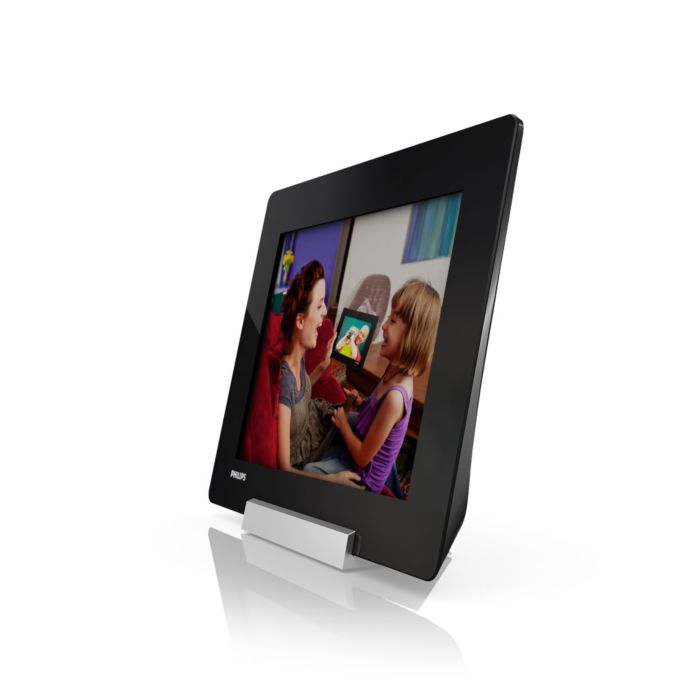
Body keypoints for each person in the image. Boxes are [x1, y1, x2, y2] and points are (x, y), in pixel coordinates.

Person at [304, 278, 440, 493]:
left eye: (393, 321)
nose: (383, 325)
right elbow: (375, 406)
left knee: (310, 470)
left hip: (363, 475)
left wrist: (344, 426)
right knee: (331, 415)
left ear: (412, 335)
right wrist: (361, 402)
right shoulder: (393, 369)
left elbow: (362, 457)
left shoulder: (396, 397)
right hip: (363, 437)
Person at [277, 260, 364, 489]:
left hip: (319, 420)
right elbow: (283, 467)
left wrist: (324, 366)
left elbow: (302, 392)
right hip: (309, 451)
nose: (325, 312)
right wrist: (333, 480)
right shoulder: (284, 381)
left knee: (369, 425)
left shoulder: (299, 355)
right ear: (300, 320)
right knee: (364, 443)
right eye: (319, 306)